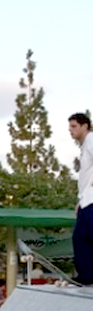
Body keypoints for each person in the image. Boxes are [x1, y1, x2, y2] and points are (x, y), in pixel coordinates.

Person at [68, 112, 93, 285]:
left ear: (85, 126)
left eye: (74, 126)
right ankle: (86, 274)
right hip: (86, 199)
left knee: (85, 237)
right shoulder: (84, 146)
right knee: (80, 237)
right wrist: (81, 198)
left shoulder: (91, 139)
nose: (70, 130)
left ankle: (87, 274)